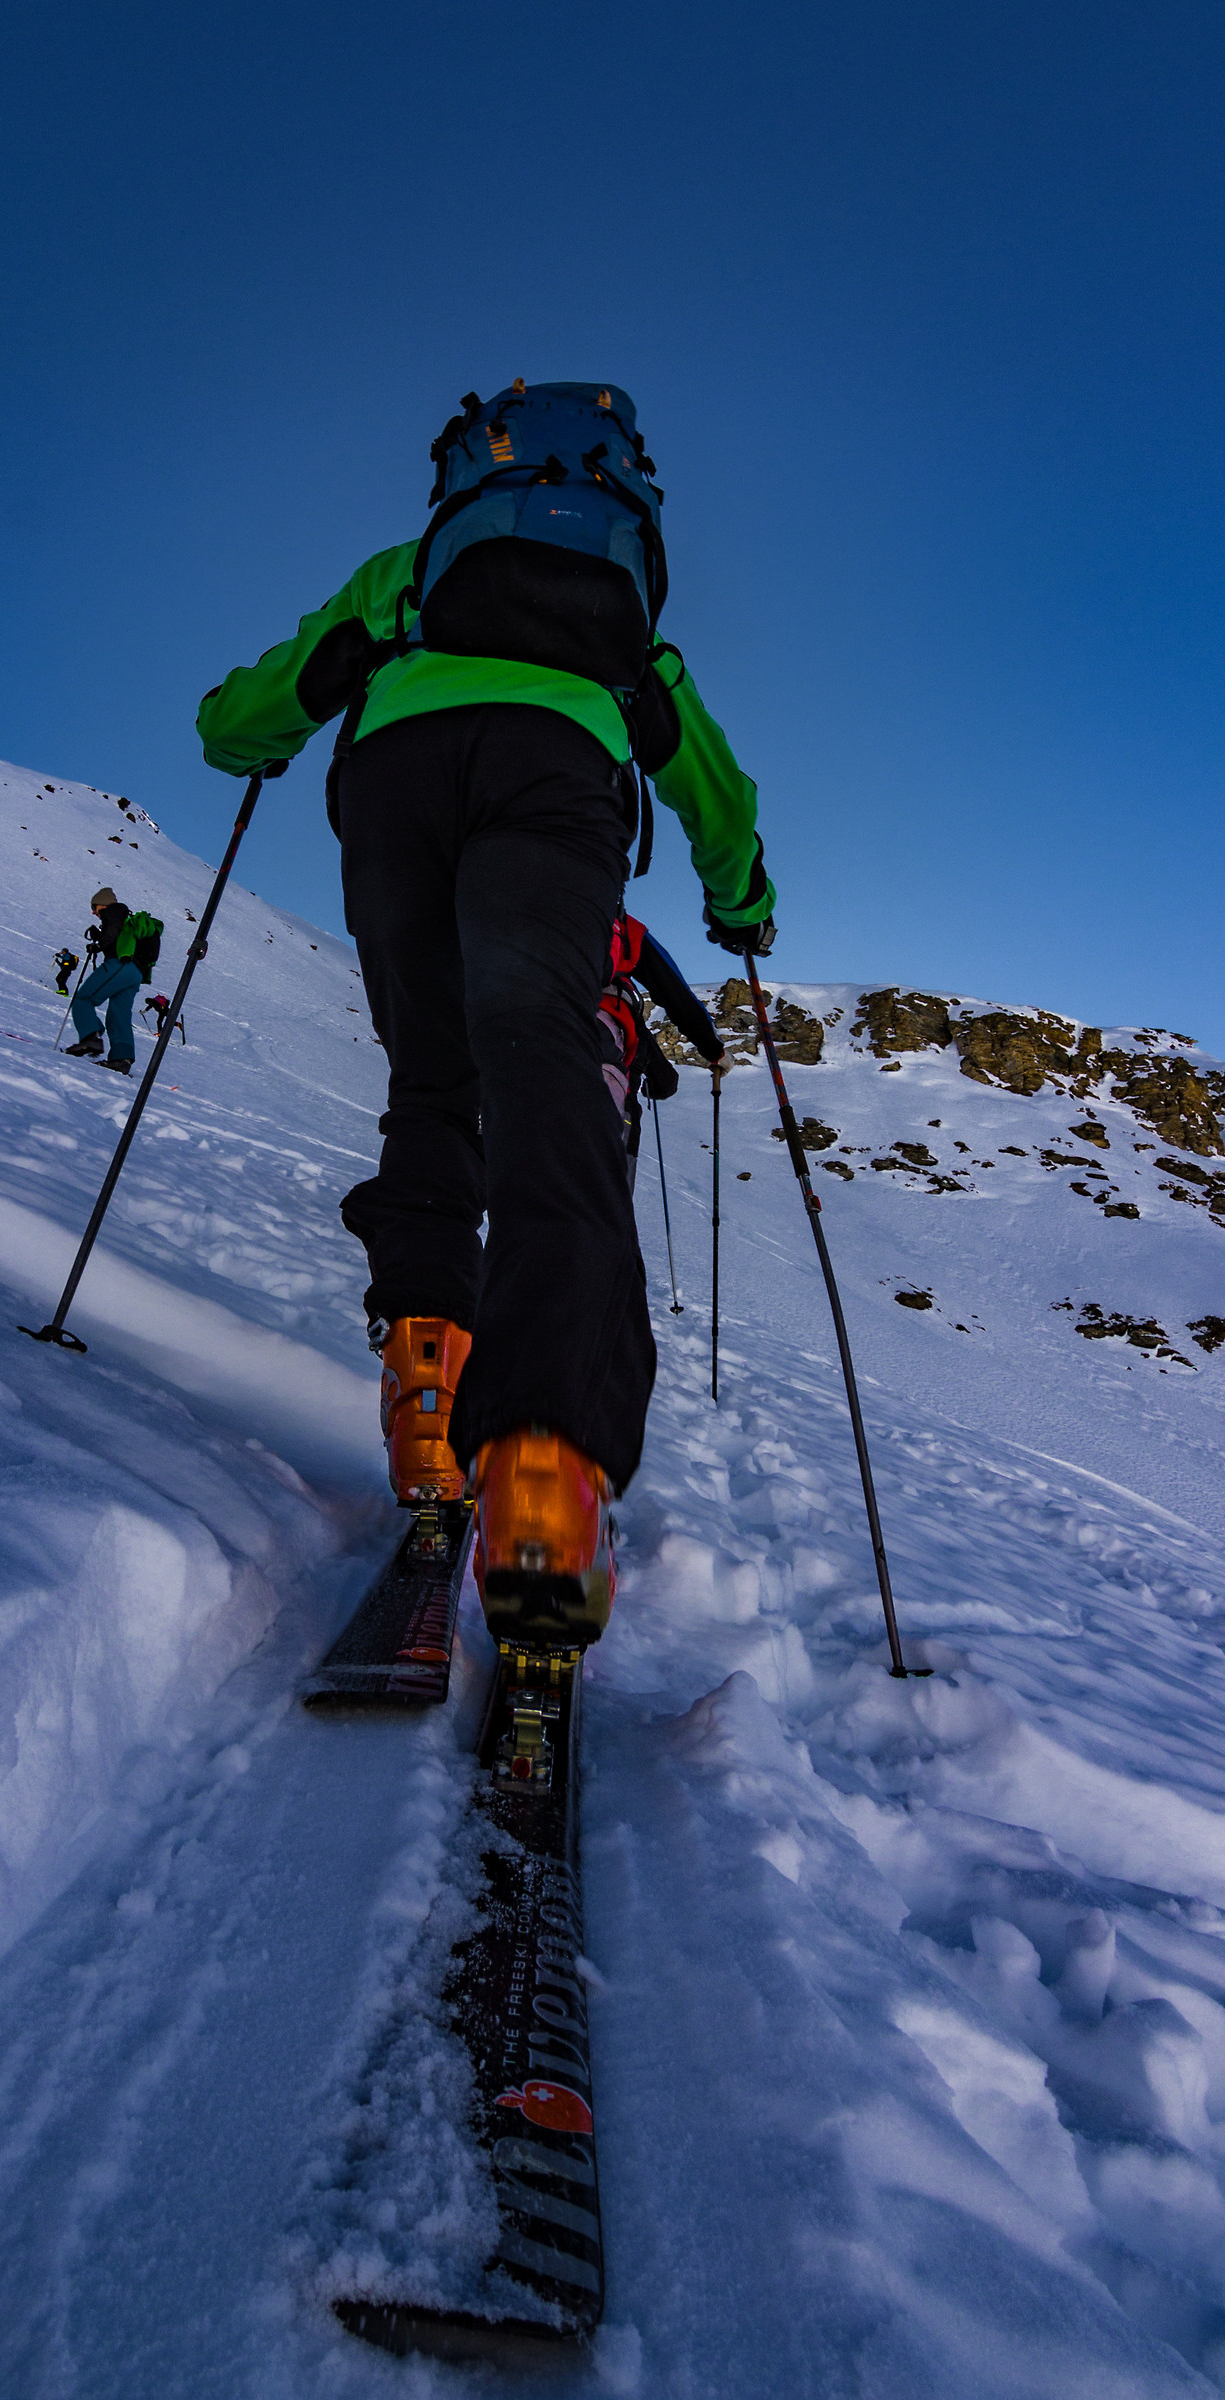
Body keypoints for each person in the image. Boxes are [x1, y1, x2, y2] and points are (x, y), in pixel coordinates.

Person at [196, 380, 773, 1649]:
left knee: (433, 1094)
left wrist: (239, 740)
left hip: (396, 797)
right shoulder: (622, 630)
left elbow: (249, 714)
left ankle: (426, 1396)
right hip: (553, 780)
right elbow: (709, 787)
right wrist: (742, 903)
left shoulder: (404, 578)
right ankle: (540, 1469)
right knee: (544, 1073)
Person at [598, 913, 725, 1191]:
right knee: (602, 1189)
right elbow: (671, 985)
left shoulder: (497, 899)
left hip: (500, 1038)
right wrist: (713, 1048)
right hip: (598, 1046)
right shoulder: (611, 915)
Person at [64, 889, 162, 1072]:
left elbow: (113, 931)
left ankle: (90, 1038)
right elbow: (117, 934)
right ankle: (121, 1059)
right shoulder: (124, 918)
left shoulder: (115, 910)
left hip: (121, 964)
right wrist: (100, 937)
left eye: (94, 907)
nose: (93, 912)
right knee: (119, 1014)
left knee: (84, 999)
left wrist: (99, 944)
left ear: (103, 904)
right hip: (136, 973)